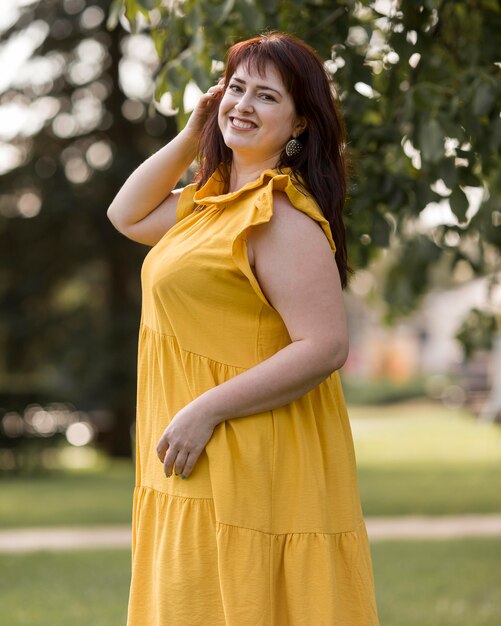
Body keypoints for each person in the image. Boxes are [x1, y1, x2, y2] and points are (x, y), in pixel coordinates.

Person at [108, 32, 380, 626]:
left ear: (300, 123)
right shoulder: (209, 203)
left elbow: (326, 345)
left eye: (266, 96)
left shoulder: (279, 216)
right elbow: (124, 214)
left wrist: (206, 408)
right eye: (236, 88)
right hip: (192, 449)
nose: (243, 105)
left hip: (245, 452)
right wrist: (192, 133)